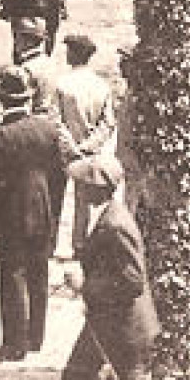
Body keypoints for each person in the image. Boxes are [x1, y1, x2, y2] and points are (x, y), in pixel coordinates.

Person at [57, 156, 175, 380]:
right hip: (107, 318)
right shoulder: (107, 215)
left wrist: (84, 286)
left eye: (81, 185)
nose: (77, 190)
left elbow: (132, 281)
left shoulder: (115, 224)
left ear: (97, 188)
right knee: (76, 377)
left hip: (124, 325)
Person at [0, 64, 65, 360]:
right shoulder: (48, 129)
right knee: (38, 273)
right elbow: (58, 175)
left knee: (13, 275)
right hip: (42, 208)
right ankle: (35, 338)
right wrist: (53, 211)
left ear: (2, 100)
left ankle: (14, 342)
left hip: (11, 212)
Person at [52, 33, 117, 256]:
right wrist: (90, 145)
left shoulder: (62, 84)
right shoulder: (102, 86)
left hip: (65, 150)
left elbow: (56, 120)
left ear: (73, 54)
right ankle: (79, 244)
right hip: (90, 151)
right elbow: (108, 123)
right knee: (85, 200)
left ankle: (52, 243)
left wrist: (70, 146)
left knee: (56, 195)